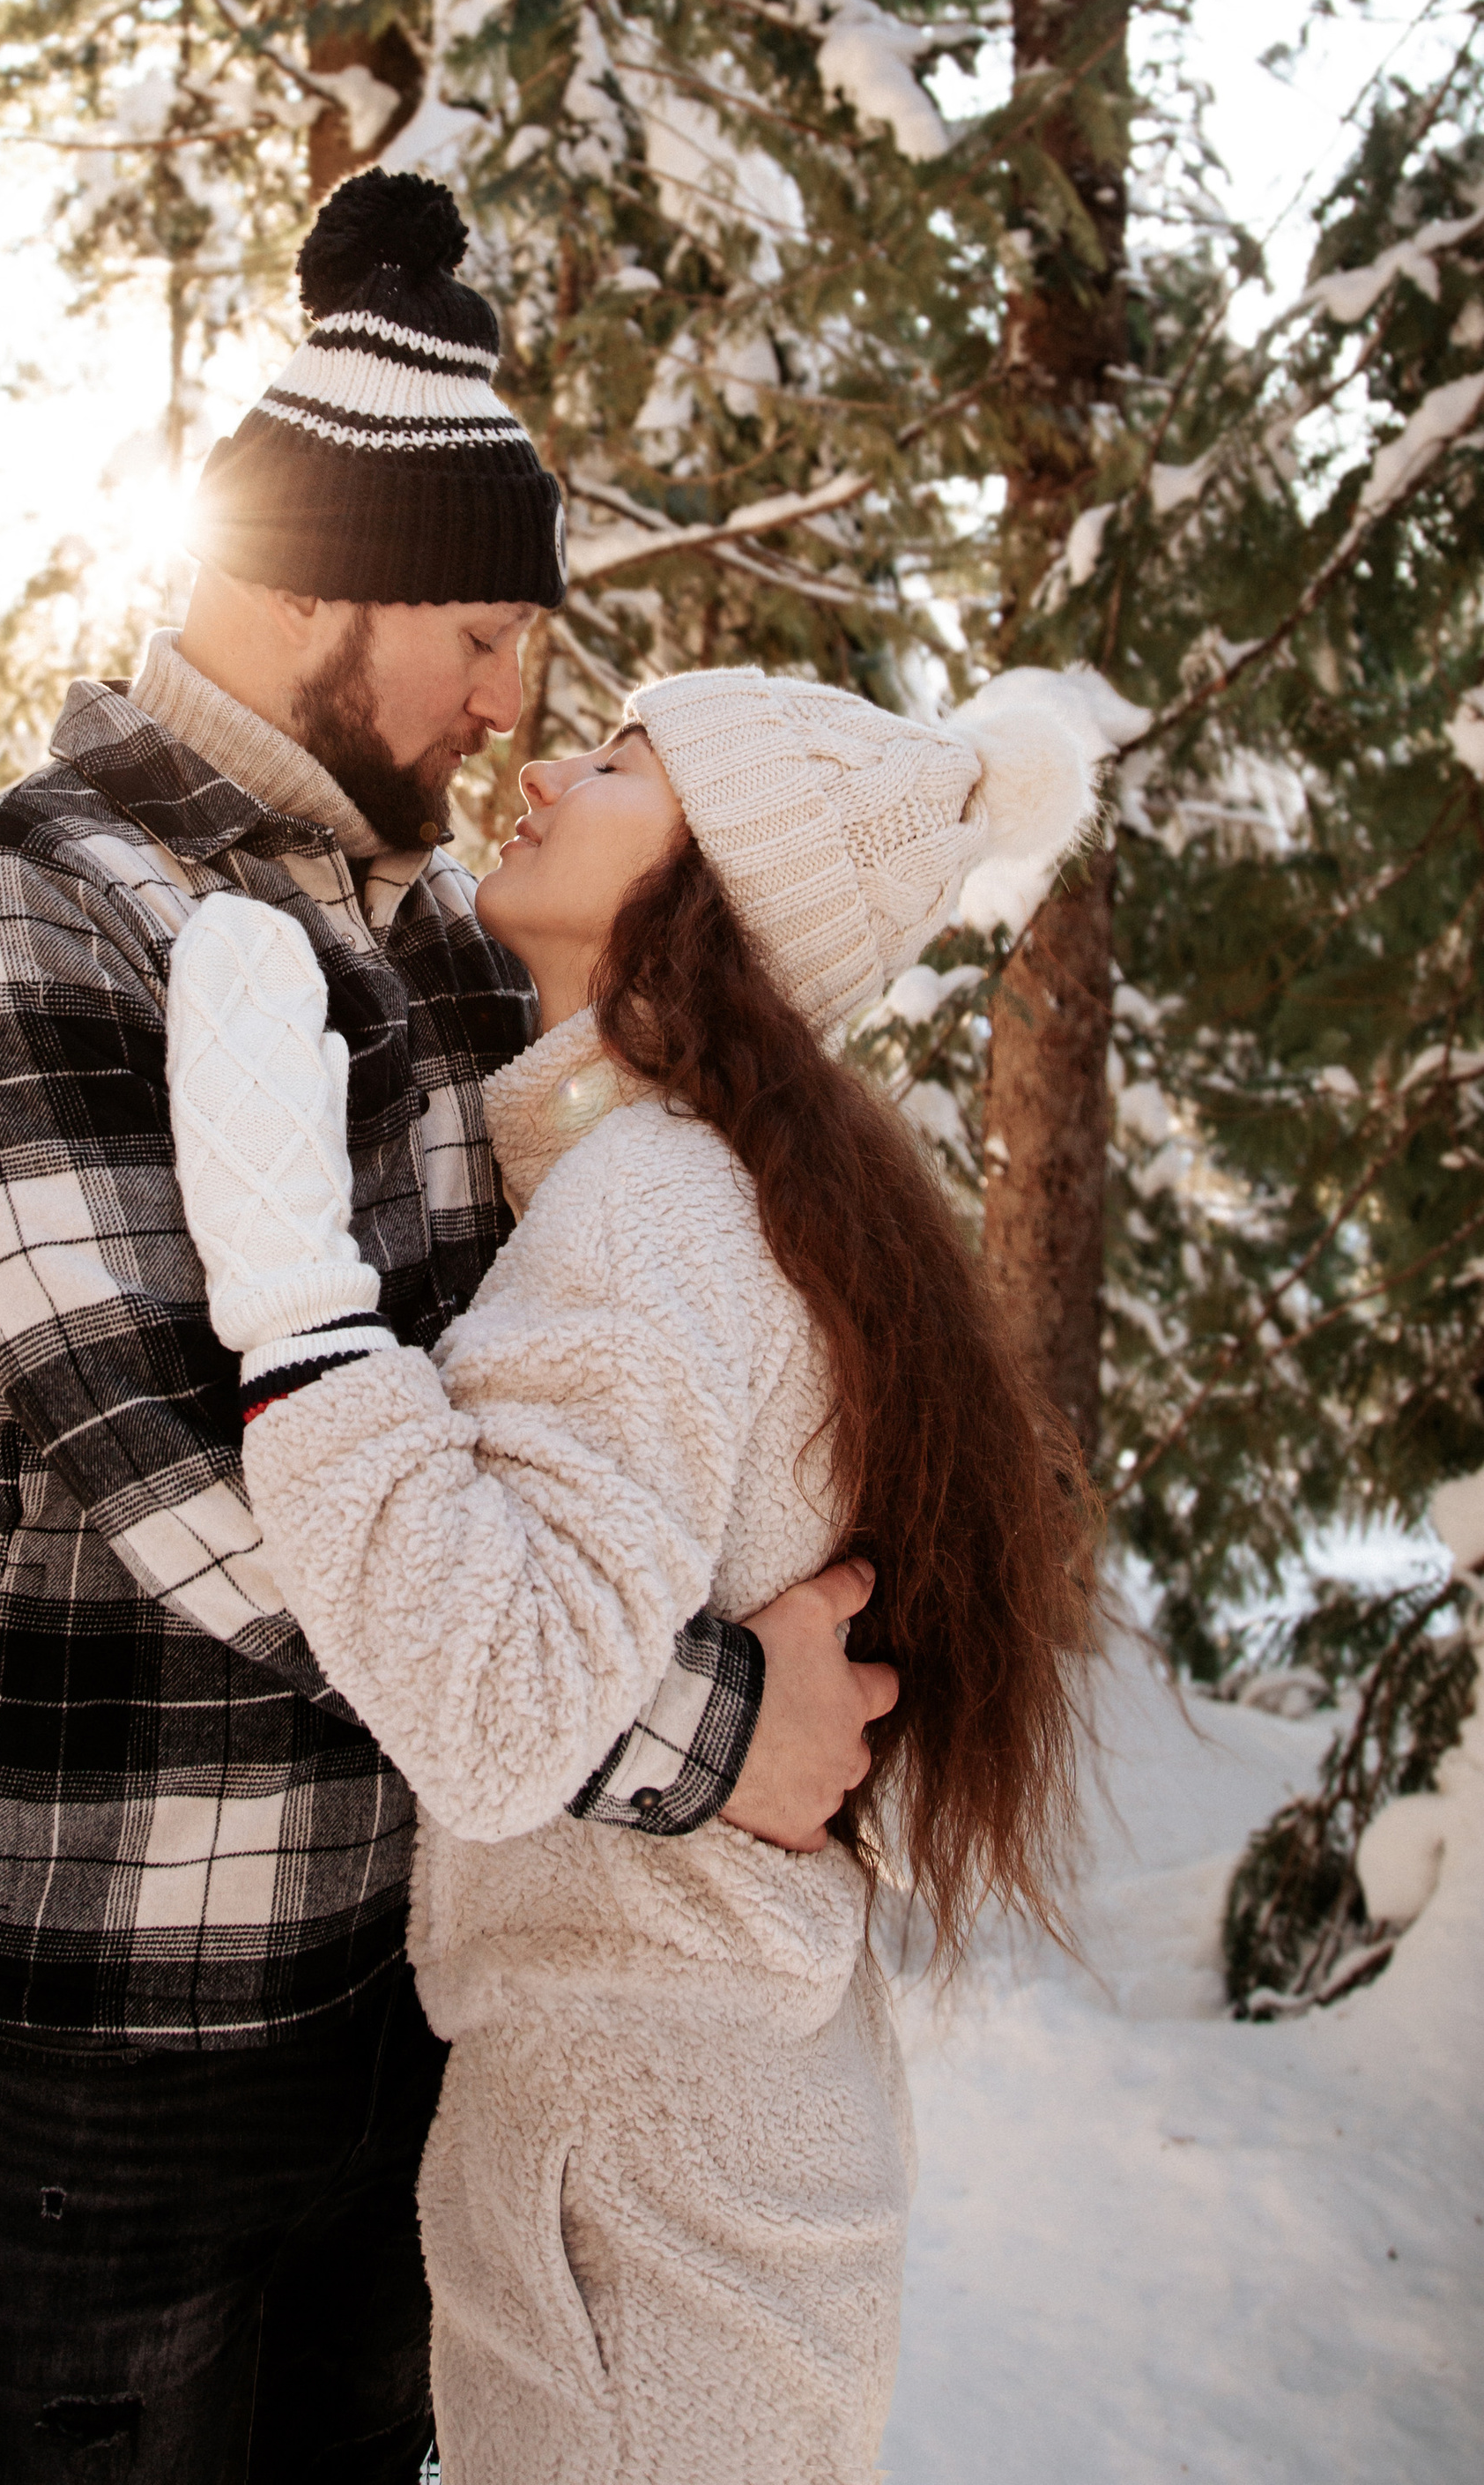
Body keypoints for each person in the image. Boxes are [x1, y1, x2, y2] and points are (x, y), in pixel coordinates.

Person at [0, 171, 894, 2485]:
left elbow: (587, 1386)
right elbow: (211, 1505)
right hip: (114, 2033)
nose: (518, 699)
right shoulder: (23, 910)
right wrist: (710, 1734)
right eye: (486, 632)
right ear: (311, 583)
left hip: (413, 1996)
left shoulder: (437, 943)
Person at [164, 667, 1102, 2485]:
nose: (539, 770)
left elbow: (504, 1703)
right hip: (698, 2123)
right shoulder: (711, 1182)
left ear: (713, 879)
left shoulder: (657, 1201)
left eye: (613, 762)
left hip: (641, 2160)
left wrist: (292, 1297)